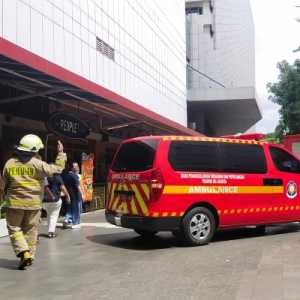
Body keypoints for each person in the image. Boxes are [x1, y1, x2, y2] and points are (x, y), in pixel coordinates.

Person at [1, 135, 66, 270]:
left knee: (14, 228)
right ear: (33, 150)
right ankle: (29, 254)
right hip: (34, 204)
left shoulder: (9, 163)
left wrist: (4, 197)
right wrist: (60, 153)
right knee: (31, 230)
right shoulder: (37, 163)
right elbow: (57, 169)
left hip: (14, 203)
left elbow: (4, 184)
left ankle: (24, 252)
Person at [43, 174, 70, 238]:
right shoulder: (58, 177)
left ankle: (50, 230)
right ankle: (51, 232)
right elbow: (63, 187)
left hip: (45, 200)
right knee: (54, 216)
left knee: (49, 215)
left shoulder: (44, 177)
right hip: (55, 200)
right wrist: (68, 196)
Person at [63, 162, 83, 229]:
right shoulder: (75, 176)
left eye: (77, 166)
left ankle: (67, 219)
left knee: (70, 209)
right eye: (76, 166)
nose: (77, 168)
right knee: (76, 210)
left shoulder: (67, 176)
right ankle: (76, 223)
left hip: (69, 195)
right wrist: (82, 195)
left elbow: (64, 186)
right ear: (73, 168)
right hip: (76, 196)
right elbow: (78, 186)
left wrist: (67, 195)